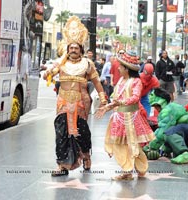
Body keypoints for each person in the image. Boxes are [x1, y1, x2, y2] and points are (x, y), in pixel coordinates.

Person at [43, 16, 107, 177]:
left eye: (76, 48)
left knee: (82, 133)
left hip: (81, 103)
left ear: (81, 49)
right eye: (70, 48)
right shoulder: (61, 63)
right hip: (63, 102)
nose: (73, 50)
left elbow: (97, 83)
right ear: (67, 49)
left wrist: (103, 98)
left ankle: (86, 156)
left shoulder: (88, 64)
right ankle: (62, 165)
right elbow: (47, 76)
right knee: (61, 133)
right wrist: (48, 73)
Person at [95, 51, 155, 180]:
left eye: (121, 66)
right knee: (119, 145)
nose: (118, 68)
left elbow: (135, 97)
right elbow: (117, 99)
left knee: (134, 145)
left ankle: (141, 168)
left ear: (127, 69)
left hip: (132, 118)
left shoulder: (136, 81)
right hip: (119, 117)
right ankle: (127, 171)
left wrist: (120, 102)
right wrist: (107, 107)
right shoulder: (121, 80)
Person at [144, 88, 188, 164]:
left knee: (168, 133)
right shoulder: (172, 106)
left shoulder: (167, 110)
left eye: (155, 106)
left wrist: (151, 147)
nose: (156, 109)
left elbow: (163, 131)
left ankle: (184, 154)